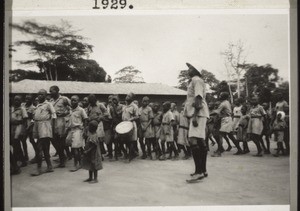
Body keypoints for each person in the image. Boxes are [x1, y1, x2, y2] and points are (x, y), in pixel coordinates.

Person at [183, 63, 209, 182]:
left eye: (190, 68)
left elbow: (198, 97)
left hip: (198, 113)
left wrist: (194, 116)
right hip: (199, 113)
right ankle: (203, 170)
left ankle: (199, 172)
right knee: (200, 141)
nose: (188, 70)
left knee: (193, 141)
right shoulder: (195, 80)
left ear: (195, 70)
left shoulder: (196, 80)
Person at [31, 89, 56, 176]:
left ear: (45, 96)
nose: (39, 96)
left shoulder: (48, 104)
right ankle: (49, 166)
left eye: (41, 94)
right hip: (38, 126)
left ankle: (39, 168)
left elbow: (54, 115)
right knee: (45, 148)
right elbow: (35, 117)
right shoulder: (38, 105)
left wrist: (51, 127)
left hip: (45, 126)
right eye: (38, 94)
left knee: (39, 148)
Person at [211, 92, 243, 156]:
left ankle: (219, 152)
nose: (219, 96)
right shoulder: (227, 102)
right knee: (231, 136)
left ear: (223, 97)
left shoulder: (223, 103)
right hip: (227, 119)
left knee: (220, 135)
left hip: (226, 120)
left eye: (220, 95)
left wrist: (208, 114)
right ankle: (239, 149)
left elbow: (217, 112)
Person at [49, 85, 71, 168]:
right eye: (50, 91)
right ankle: (63, 156)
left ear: (57, 91)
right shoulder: (50, 101)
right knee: (53, 140)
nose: (50, 92)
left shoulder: (64, 99)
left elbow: (73, 107)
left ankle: (62, 159)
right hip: (53, 121)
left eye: (52, 91)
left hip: (62, 121)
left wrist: (66, 114)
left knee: (61, 140)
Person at [66, 95, 88, 172]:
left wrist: (85, 130)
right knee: (72, 147)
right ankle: (80, 162)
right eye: (71, 100)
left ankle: (77, 164)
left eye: (75, 100)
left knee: (75, 148)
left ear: (78, 101)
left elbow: (85, 119)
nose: (73, 102)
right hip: (71, 130)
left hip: (78, 130)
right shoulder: (70, 110)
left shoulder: (81, 110)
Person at [86, 94, 109, 158]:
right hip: (91, 124)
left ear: (95, 100)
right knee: (92, 139)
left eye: (92, 102)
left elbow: (106, 113)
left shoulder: (100, 105)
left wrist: (100, 117)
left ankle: (100, 154)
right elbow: (87, 113)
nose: (91, 103)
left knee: (99, 139)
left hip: (99, 124)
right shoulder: (89, 106)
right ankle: (93, 154)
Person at [10, 95, 28, 168]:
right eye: (15, 100)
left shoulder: (22, 109)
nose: (16, 101)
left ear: (21, 101)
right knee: (14, 143)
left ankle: (22, 160)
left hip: (19, 127)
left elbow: (25, 120)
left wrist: (23, 131)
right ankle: (16, 158)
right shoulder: (12, 108)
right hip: (12, 127)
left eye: (18, 100)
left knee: (16, 143)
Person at [122, 92, 139, 162]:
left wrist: (130, 119)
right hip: (124, 125)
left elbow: (137, 116)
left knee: (131, 141)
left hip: (131, 125)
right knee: (125, 140)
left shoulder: (134, 106)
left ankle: (130, 156)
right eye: (127, 95)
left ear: (132, 98)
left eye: (129, 96)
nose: (127, 97)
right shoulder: (124, 106)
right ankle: (131, 153)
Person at [20, 94, 37, 162]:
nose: (27, 100)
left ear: (32, 100)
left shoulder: (33, 108)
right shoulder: (23, 105)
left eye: (29, 99)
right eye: (26, 99)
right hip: (23, 125)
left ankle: (38, 154)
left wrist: (29, 126)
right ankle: (26, 155)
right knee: (23, 140)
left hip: (30, 125)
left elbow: (33, 118)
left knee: (31, 140)